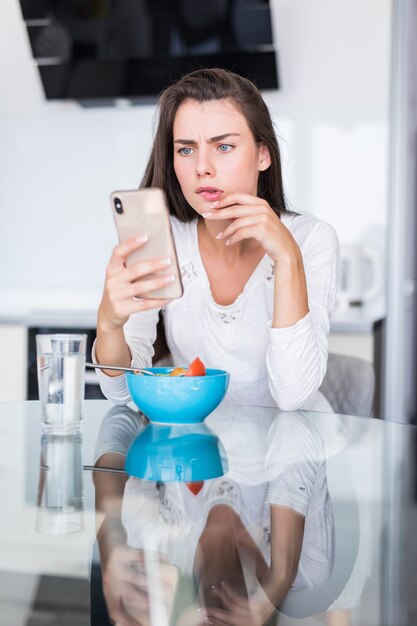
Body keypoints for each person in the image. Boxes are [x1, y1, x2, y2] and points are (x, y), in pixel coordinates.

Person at [94, 67, 339, 411]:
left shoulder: (312, 239)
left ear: (263, 155)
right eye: (186, 150)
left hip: (293, 451)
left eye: (223, 146)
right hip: (198, 451)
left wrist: (287, 258)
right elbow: (122, 393)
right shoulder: (161, 238)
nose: (202, 168)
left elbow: (293, 397)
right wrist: (108, 324)